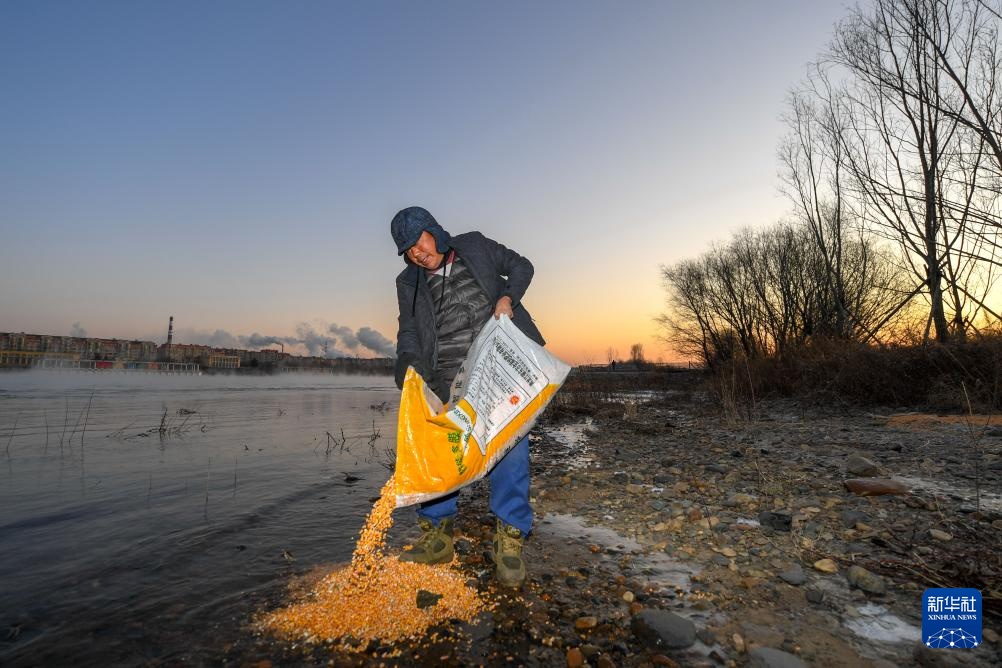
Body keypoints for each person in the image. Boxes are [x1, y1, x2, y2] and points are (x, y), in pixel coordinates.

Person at [391, 205, 545, 587]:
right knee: (441, 454)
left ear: (434, 231)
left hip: (499, 366)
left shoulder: (475, 246)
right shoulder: (407, 283)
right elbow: (408, 330)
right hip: (448, 377)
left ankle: (509, 539)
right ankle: (438, 536)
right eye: (407, 250)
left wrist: (508, 297)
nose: (416, 253)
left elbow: (523, 265)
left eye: (418, 242)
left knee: (509, 448)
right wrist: (408, 364)